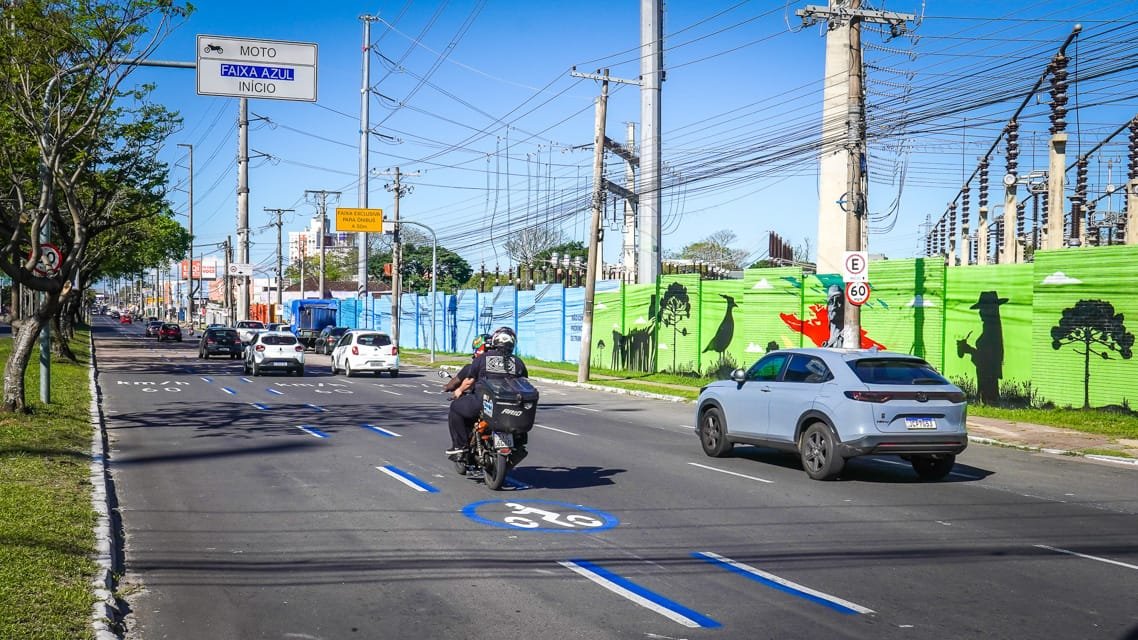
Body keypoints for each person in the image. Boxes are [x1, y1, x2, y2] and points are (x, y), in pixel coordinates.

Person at [446, 326, 529, 459]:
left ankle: (460, 447)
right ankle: (518, 445)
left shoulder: (483, 358)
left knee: (455, 408)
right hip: (510, 406)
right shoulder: (518, 362)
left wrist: (459, 391)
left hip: (484, 402)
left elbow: (469, 380)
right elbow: (523, 382)